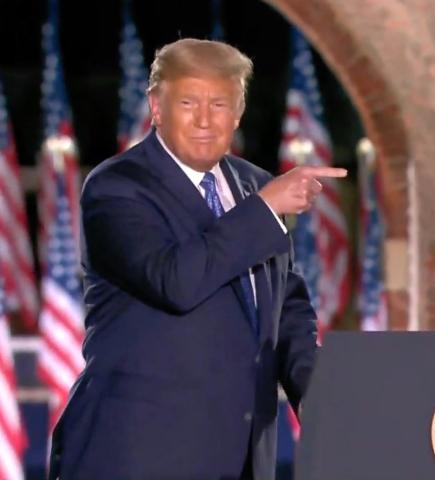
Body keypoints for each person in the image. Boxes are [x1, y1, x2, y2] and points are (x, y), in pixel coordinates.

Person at [48, 38, 346, 479]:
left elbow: (286, 310)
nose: (205, 119)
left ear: (238, 112)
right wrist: (265, 209)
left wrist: (316, 393)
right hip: (136, 456)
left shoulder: (252, 185)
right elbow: (175, 280)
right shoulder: (117, 188)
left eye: (220, 104)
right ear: (156, 106)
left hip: (241, 456)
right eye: (188, 102)